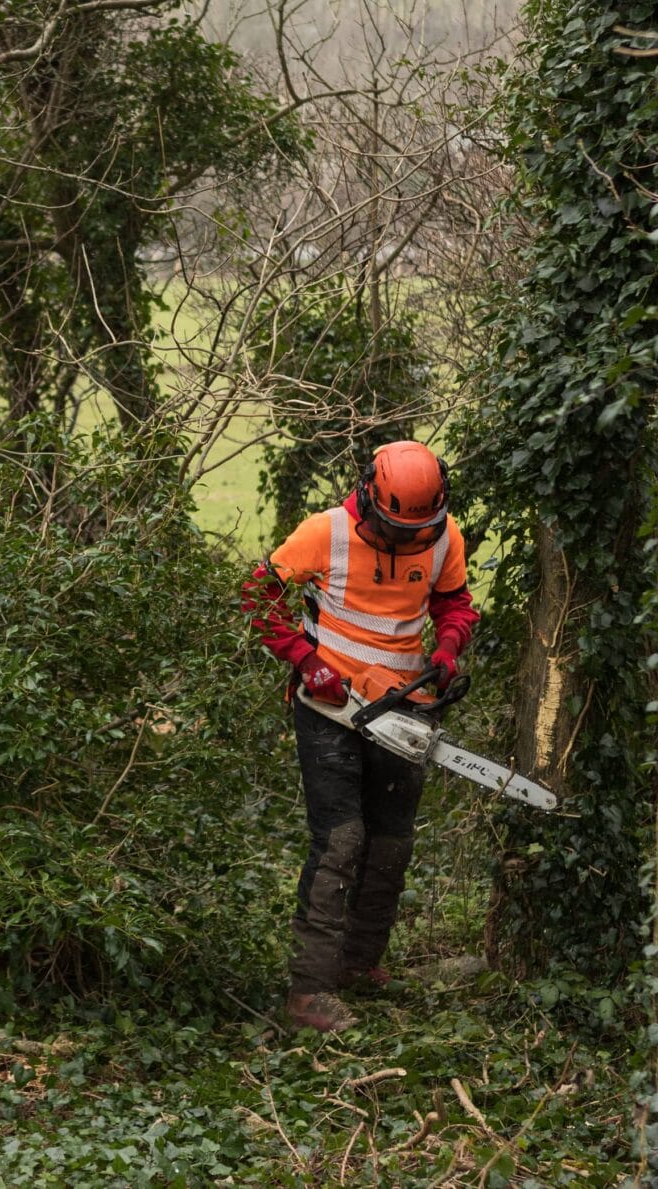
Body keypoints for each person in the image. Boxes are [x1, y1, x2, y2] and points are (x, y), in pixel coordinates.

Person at [240, 441, 481, 1032]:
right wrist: (303, 659)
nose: (408, 539)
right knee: (342, 838)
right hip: (332, 706)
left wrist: (448, 647)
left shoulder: (446, 536)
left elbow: (454, 602)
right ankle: (309, 992)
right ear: (370, 498)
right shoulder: (326, 532)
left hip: (406, 702)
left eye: (417, 529)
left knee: (391, 841)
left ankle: (360, 964)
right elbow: (258, 591)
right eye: (398, 528)